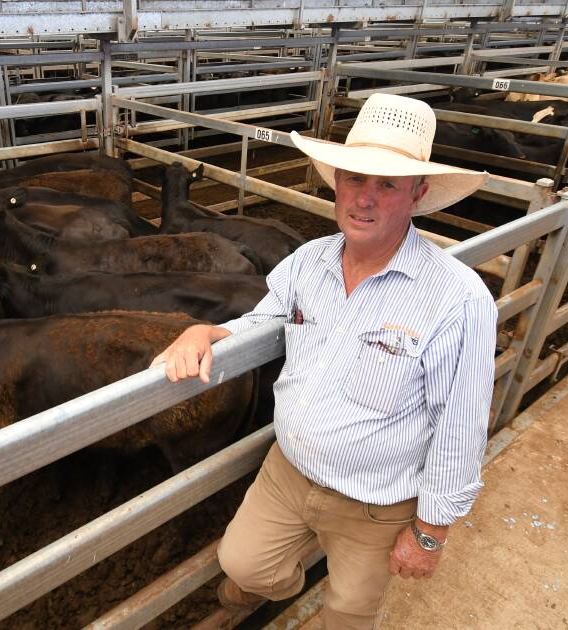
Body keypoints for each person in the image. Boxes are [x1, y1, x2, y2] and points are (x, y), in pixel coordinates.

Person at [151, 93, 498, 629]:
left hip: (377, 502)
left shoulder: (458, 298)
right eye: (355, 178)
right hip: (287, 473)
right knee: (242, 564)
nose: (365, 199)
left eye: (388, 184)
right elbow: (264, 322)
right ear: (335, 181)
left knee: (348, 613)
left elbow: (461, 425)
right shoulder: (307, 262)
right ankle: (289, 585)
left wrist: (430, 533)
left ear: (418, 193)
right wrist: (207, 331)